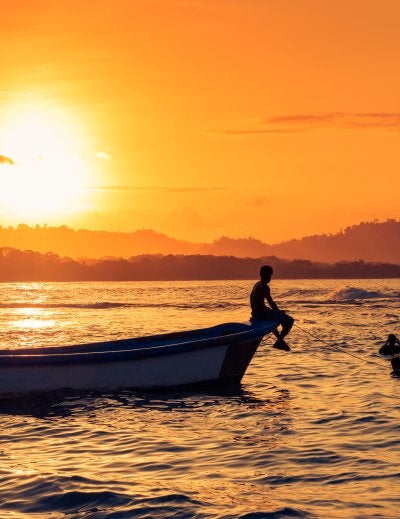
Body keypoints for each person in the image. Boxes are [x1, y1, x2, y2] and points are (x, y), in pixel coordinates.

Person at [250, 265, 294, 351]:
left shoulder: (257, 284)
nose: (270, 277)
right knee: (290, 321)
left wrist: (276, 312)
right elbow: (271, 302)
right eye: (268, 275)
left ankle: (280, 341)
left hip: (257, 312)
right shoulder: (264, 286)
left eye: (270, 275)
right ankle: (280, 341)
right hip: (261, 313)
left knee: (275, 316)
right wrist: (278, 312)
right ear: (262, 275)